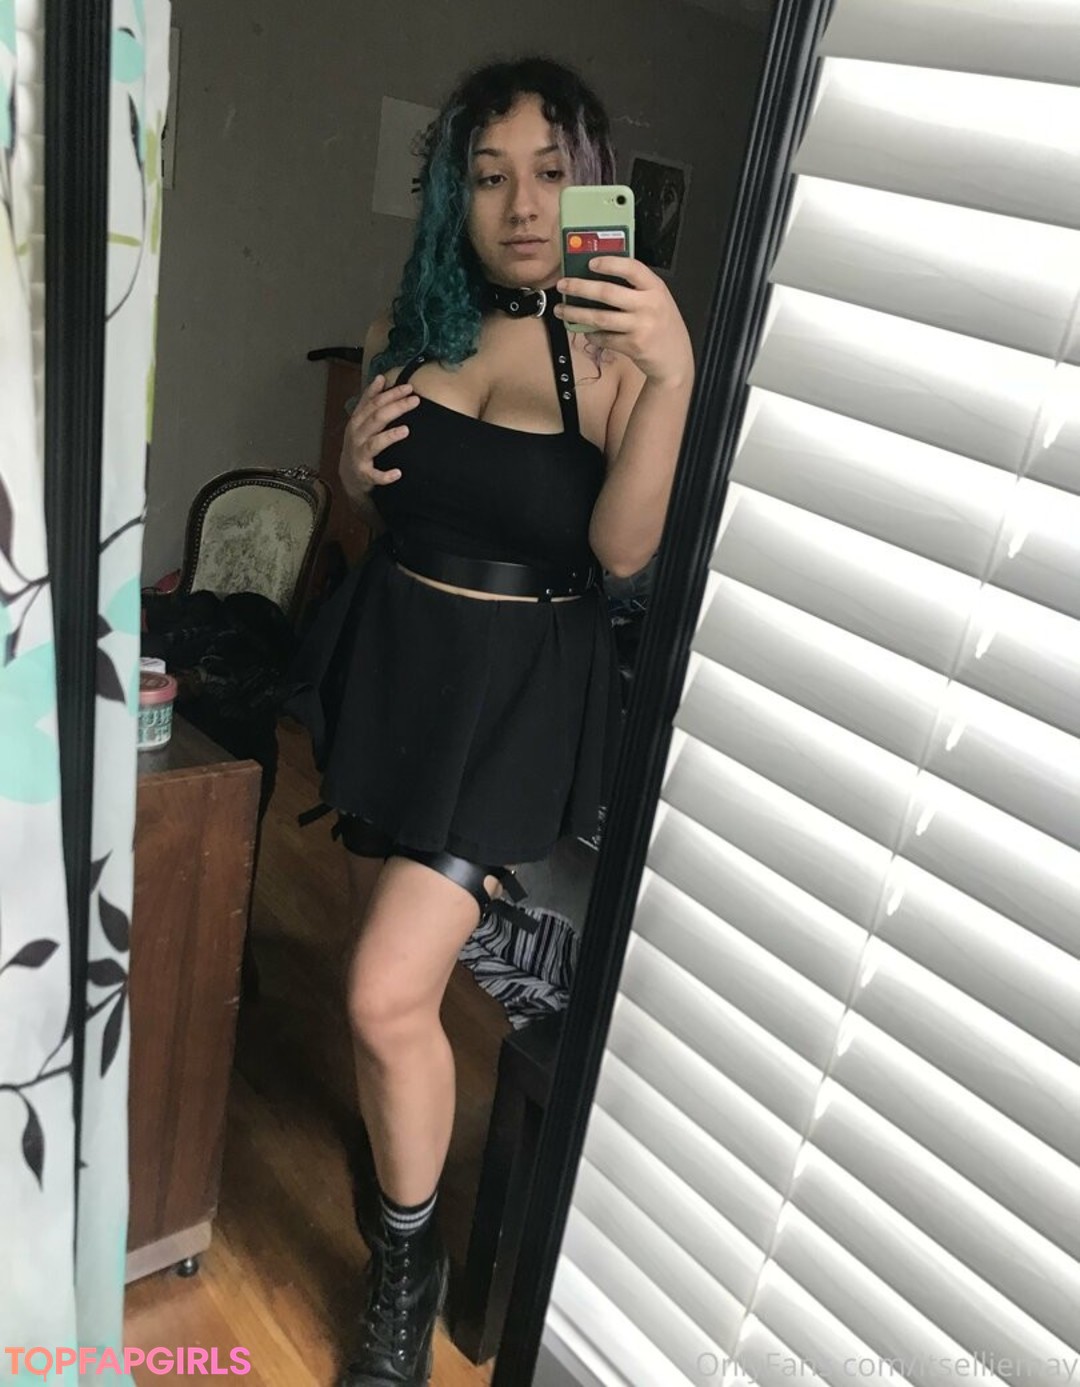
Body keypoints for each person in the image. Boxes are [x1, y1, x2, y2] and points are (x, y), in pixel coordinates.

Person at [285, 55, 693, 1387]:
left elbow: (621, 553)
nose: (522, 204)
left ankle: (407, 1274)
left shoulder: (618, 358)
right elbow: (375, 510)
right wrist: (350, 470)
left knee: (382, 991)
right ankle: (395, 1166)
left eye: (551, 172)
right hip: (395, 667)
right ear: (452, 195)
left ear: (592, 186)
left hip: (513, 700)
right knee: (378, 981)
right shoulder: (410, 327)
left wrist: (675, 378)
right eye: (489, 174)